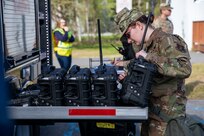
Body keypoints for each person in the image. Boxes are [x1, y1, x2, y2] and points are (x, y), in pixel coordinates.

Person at [114, 7, 192, 136]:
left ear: (138, 25)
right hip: (151, 115)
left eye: (128, 34)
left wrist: (149, 57)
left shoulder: (169, 40)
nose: (128, 40)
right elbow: (151, 73)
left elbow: (184, 68)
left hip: (167, 121)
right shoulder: (148, 46)